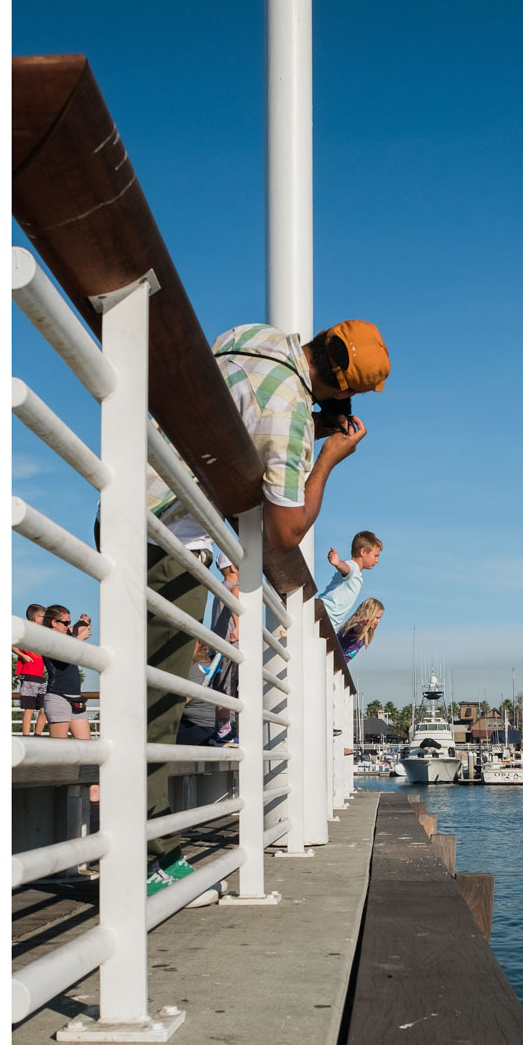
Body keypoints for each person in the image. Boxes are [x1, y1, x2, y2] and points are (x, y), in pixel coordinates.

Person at [142, 319, 391, 898]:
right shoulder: (291, 419)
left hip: (134, 492)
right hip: (169, 531)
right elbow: (284, 532)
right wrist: (327, 457)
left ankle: (149, 846)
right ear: (340, 386)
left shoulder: (254, 336)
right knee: (157, 694)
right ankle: (148, 859)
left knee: (149, 684)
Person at [41, 605, 93, 739]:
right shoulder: (47, 639)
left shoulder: (66, 635)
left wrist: (82, 623)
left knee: (87, 748)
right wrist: (79, 639)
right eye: (65, 623)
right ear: (53, 622)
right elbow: (64, 659)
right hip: (58, 697)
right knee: (59, 750)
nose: (67, 626)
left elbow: (75, 630)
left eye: (69, 622)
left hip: (76, 697)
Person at [317, 531, 383, 628]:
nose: (377, 560)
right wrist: (338, 563)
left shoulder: (358, 573)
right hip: (324, 613)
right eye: (375, 556)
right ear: (363, 552)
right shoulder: (353, 567)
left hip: (329, 620)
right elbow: (346, 569)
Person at [210, 553, 239, 745]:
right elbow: (236, 609)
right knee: (231, 690)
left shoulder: (218, 588)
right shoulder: (235, 588)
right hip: (230, 646)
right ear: (235, 568)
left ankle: (222, 728)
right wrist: (239, 628)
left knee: (221, 690)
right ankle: (226, 732)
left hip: (216, 647)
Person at [176, 641, 219, 746]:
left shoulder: (197, 668)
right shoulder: (210, 668)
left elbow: (179, 704)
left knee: (162, 737)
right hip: (211, 726)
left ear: (198, 644)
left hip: (203, 727)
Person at [13, 603, 47, 736]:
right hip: (28, 674)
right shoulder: (25, 631)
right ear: (35, 617)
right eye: (43, 617)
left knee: (44, 710)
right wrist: (23, 656)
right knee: (29, 709)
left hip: (40, 675)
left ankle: (37, 736)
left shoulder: (41, 634)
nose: (45, 619)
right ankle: (26, 737)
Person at [335, 598, 384, 662]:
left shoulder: (365, 634)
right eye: (377, 618)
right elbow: (358, 630)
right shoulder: (354, 627)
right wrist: (362, 626)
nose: (378, 621)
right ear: (368, 614)